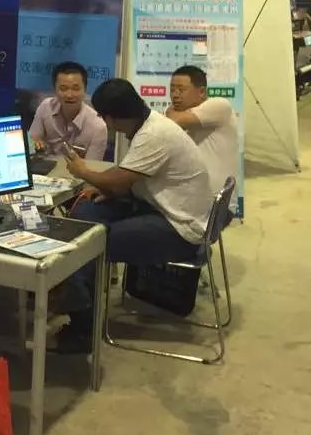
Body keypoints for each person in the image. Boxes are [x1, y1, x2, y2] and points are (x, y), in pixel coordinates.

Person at [56, 78, 213, 353]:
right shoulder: (148, 125)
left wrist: (83, 171)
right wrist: (107, 187)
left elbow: (118, 181)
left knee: (88, 245)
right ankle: (73, 293)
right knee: (84, 212)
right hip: (162, 207)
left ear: (111, 118)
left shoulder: (154, 135)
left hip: (180, 227)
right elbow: (127, 178)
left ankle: (82, 329)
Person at [167, 65, 238, 198]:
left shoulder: (219, 105)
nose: (175, 95)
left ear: (201, 92)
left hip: (216, 201)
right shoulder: (182, 114)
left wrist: (169, 111)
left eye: (181, 90)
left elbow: (174, 120)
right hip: (192, 197)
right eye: (172, 90)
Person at [29, 61, 108, 160]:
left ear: (85, 90)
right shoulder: (46, 107)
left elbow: (93, 166)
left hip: (79, 169)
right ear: (55, 90)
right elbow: (32, 142)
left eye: (76, 89)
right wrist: (35, 144)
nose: (69, 95)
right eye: (63, 89)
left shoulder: (98, 126)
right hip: (46, 167)